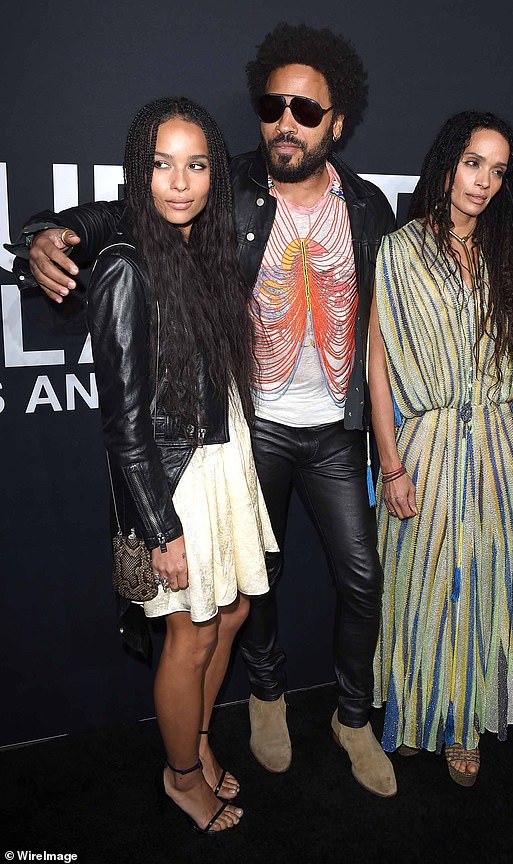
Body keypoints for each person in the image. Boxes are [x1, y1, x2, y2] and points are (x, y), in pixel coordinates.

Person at [11, 24, 397, 797]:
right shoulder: (227, 189)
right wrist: (48, 233)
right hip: (230, 444)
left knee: (310, 588)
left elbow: (383, 327)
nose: (286, 120)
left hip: (298, 435)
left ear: (338, 120)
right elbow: (127, 215)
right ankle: (250, 714)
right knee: (232, 609)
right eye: (272, 104)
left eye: (306, 109)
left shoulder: (361, 207)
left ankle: (332, 722)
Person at [86, 96, 276, 833]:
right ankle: (181, 775)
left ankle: (196, 738)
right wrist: (160, 529)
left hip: (224, 458)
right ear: (140, 172)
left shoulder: (207, 250)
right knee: (191, 633)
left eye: (195, 164)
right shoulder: (127, 266)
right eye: (160, 164)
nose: (179, 181)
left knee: (230, 614)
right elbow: (125, 429)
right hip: (175, 480)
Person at [369, 111, 513, 787]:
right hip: (423, 445)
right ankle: (419, 713)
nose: (483, 182)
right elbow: (379, 368)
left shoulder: (508, 253)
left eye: (498, 171)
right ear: (448, 163)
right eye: (474, 163)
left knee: (484, 585)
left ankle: (465, 726)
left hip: (497, 453)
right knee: (417, 588)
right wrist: (390, 464)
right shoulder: (399, 251)